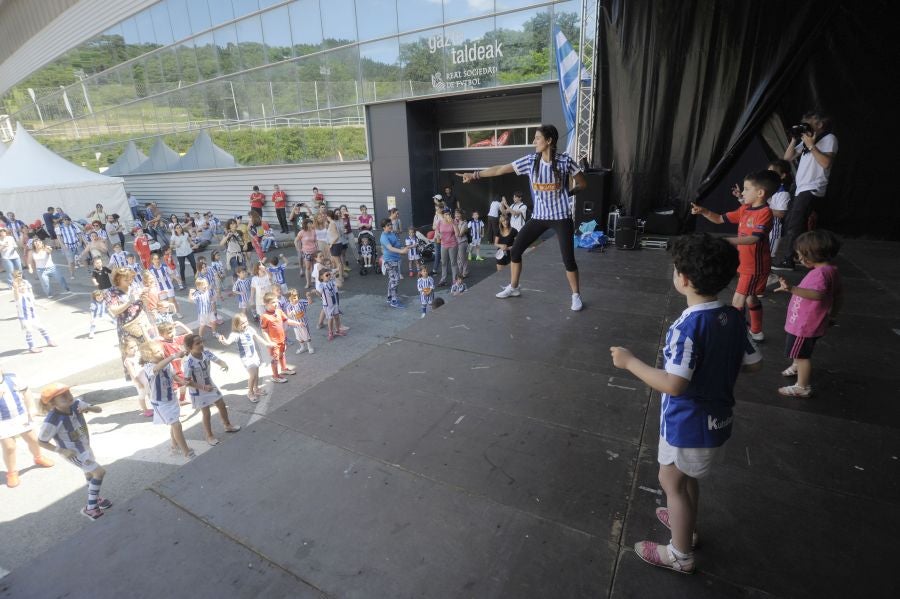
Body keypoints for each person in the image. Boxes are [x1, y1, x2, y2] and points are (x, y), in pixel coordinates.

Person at [610, 233, 762, 574]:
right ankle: (686, 526)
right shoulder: (734, 317)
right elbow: (755, 365)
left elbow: (675, 384)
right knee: (686, 480)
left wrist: (630, 362)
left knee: (671, 484)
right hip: (717, 421)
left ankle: (680, 554)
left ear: (684, 278)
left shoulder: (688, 325)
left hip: (687, 424)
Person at [457, 124, 588, 311]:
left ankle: (576, 296)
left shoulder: (565, 161)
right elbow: (500, 169)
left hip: (561, 217)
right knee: (516, 251)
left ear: (549, 141)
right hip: (539, 217)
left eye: (537, 138)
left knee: (568, 259)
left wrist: (569, 193)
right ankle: (514, 287)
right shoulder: (530, 161)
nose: (534, 141)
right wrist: (475, 174)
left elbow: (583, 183)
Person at [692, 170, 780, 341]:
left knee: (738, 300)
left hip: (755, 266)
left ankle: (735, 335)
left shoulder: (765, 213)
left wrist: (727, 241)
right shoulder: (745, 209)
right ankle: (756, 331)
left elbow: (754, 238)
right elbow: (718, 219)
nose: (743, 193)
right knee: (751, 299)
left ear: (760, 193)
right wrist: (704, 211)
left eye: (747, 189)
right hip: (746, 264)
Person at [774, 230, 843, 398]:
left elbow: (818, 295)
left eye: (800, 255)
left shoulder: (820, 274)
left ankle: (802, 386)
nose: (799, 258)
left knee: (801, 354)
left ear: (810, 255)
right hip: (811, 321)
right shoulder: (831, 270)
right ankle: (797, 365)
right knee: (800, 350)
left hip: (804, 324)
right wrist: (832, 315)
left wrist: (791, 289)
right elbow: (838, 295)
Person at [774, 110, 838, 271]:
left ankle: (787, 260)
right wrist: (795, 138)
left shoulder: (829, 138)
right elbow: (787, 158)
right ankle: (799, 255)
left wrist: (811, 145)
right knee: (792, 222)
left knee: (794, 224)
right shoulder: (807, 140)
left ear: (820, 124)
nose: (805, 128)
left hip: (812, 187)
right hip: (800, 187)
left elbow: (826, 163)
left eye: (808, 124)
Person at [37, 383, 111, 520]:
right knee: (99, 472)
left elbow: (99, 410)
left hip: (85, 446)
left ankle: (95, 497)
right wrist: (61, 450)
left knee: (90, 472)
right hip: (74, 453)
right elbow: (41, 441)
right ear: (52, 403)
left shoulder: (76, 404)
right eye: (63, 396)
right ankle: (90, 507)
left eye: (68, 393)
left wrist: (88, 408)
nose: (68, 397)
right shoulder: (51, 421)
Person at [1, 366, 55, 488]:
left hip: (21, 416)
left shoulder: (12, 378)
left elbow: (26, 392)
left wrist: (31, 407)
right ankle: (12, 472)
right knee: (9, 447)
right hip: (2, 422)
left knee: (33, 440)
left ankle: (38, 457)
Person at [182, 333, 240, 446]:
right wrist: (203, 387)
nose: (201, 345)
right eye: (197, 343)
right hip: (199, 391)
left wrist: (224, 364)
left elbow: (217, 359)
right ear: (190, 347)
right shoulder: (188, 363)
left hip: (210, 385)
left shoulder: (206, 353)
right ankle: (209, 435)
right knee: (206, 412)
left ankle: (227, 425)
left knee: (221, 404)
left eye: (201, 342)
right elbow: (187, 382)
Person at [140, 341, 193, 457]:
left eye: (161, 350)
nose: (161, 352)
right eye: (157, 351)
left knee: (175, 423)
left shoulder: (166, 364)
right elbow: (156, 369)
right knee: (176, 424)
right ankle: (186, 451)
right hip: (160, 402)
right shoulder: (149, 367)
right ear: (149, 356)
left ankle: (175, 445)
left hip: (171, 398)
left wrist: (182, 381)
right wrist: (173, 356)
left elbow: (173, 375)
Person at [217, 313, 273, 402]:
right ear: (236, 325)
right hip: (246, 358)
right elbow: (228, 342)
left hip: (254, 355)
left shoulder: (250, 329)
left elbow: (258, 337)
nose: (245, 324)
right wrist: (223, 341)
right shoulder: (235, 334)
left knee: (257, 374)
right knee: (252, 375)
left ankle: (256, 388)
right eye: (242, 323)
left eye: (246, 322)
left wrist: (267, 344)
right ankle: (250, 392)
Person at [259, 292, 299, 382]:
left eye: (276, 302)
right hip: (274, 342)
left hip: (282, 339)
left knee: (282, 354)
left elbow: (287, 320)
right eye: (273, 302)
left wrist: (297, 323)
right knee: (275, 359)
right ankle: (275, 376)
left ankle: (284, 369)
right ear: (266, 304)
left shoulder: (279, 311)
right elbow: (264, 331)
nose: (276, 304)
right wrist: (269, 342)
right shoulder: (264, 316)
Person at [13, 271, 56, 354]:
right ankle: (32, 347)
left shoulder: (28, 295)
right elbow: (16, 293)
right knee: (29, 331)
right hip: (25, 318)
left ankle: (49, 341)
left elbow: (34, 302)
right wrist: (15, 287)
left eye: (23, 286)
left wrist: (42, 306)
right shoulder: (18, 297)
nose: (22, 287)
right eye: (20, 287)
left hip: (33, 316)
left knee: (42, 328)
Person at [380, 218, 410, 308]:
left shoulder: (391, 233)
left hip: (396, 259)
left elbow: (397, 244)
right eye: (388, 225)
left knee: (392, 279)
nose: (390, 226)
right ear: (383, 227)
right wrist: (402, 252)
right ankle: (394, 301)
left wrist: (406, 247)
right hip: (389, 261)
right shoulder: (384, 237)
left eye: (390, 224)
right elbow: (390, 248)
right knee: (395, 280)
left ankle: (390, 297)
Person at [766, 159, 793, 260]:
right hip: (767, 225)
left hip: (774, 228)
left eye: (772, 172)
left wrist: (764, 210)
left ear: (782, 176)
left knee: (769, 256)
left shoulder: (783, 193)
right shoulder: (772, 190)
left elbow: (782, 214)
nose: (768, 175)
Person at [122, 338, 152, 417]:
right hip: (139, 380)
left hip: (146, 377)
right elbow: (132, 373)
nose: (134, 348)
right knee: (142, 395)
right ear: (125, 350)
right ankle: (145, 410)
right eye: (131, 348)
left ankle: (154, 406)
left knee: (150, 392)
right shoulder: (128, 360)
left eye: (135, 346)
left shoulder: (138, 354)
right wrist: (138, 382)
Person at [285, 288, 315, 355]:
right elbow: (288, 316)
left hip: (304, 323)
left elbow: (309, 302)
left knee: (307, 336)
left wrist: (308, 297)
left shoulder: (301, 302)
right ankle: (302, 347)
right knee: (299, 337)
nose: (294, 299)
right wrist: (291, 313)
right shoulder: (289, 306)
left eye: (295, 297)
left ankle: (309, 347)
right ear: (289, 299)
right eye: (292, 298)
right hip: (296, 325)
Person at [433, 209, 459, 287]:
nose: (448, 215)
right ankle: (443, 279)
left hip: (452, 244)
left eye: (449, 214)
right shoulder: (440, 222)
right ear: (443, 215)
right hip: (443, 245)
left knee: (453, 263)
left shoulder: (453, 221)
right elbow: (437, 231)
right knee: (444, 263)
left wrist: (452, 223)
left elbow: (457, 234)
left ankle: (455, 280)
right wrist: (438, 235)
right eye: (446, 214)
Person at [318, 271, 344, 340]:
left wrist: (335, 277)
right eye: (327, 275)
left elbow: (340, 285)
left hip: (334, 303)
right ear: (321, 277)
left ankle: (338, 330)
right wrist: (315, 292)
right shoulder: (321, 285)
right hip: (328, 305)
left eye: (329, 274)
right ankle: (330, 332)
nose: (329, 276)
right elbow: (319, 294)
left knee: (337, 317)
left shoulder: (332, 282)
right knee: (330, 319)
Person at [295, 219, 318, 288]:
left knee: (314, 266)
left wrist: (317, 247)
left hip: (314, 251)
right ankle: (308, 283)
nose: (311, 224)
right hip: (306, 252)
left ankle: (314, 278)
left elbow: (316, 241)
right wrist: (298, 249)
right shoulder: (301, 232)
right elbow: (296, 241)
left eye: (312, 223)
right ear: (306, 224)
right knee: (308, 267)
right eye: (310, 223)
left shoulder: (313, 231)